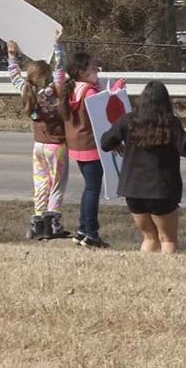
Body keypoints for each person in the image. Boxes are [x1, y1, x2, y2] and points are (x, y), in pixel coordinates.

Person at [100, 81, 186, 253]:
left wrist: (117, 143)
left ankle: (147, 273)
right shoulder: (170, 122)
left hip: (133, 190)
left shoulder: (129, 120)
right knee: (167, 239)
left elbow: (105, 142)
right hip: (161, 190)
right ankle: (165, 275)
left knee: (149, 237)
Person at [7, 35, 69, 240]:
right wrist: (58, 46)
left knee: (41, 182)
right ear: (48, 75)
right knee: (57, 184)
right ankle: (54, 223)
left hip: (38, 146)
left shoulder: (28, 92)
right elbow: (61, 69)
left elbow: (14, 76)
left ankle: (38, 221)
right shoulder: (55, 91)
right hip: (57, 146)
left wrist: (11, 56)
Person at [60, 51, 108, 248]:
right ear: (82, 72)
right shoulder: (90, 91)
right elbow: (102, 114)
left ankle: (82, 230)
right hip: (91, 144)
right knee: (92, 190)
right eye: (92, 68)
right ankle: (91, 233)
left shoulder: (72, 88)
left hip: (77, 144)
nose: (96, 71)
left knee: (89, 187)